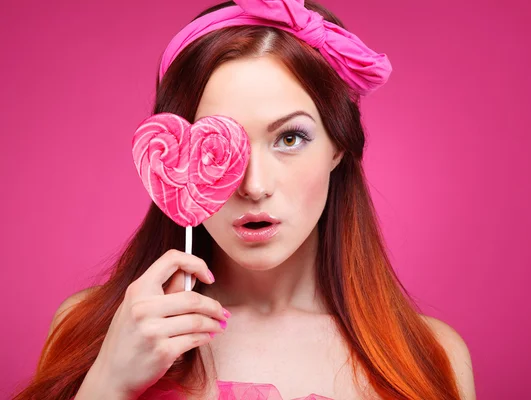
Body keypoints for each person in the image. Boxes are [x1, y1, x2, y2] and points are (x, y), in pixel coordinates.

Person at [13, 1, 475, 399]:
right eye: (218, 143)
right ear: (175, 158)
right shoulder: (90, 329)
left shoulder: (430, 358)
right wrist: (108, 382)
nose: (253, 185)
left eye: (290, 138)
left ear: (338, 145)